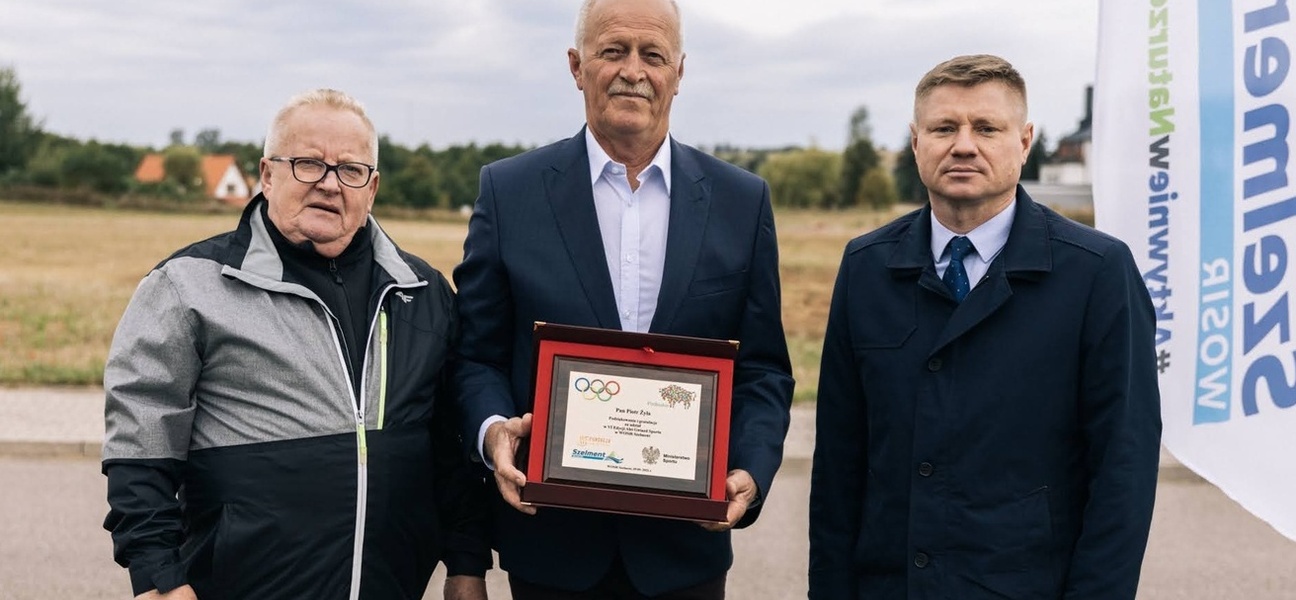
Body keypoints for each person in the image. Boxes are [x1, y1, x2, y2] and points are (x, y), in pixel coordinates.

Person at [451, 0, 795, 597]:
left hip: (685, 553)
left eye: (653, 55)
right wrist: (491, 432)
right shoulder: (509, 192)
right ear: (576, 65)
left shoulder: (742, 203)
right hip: (551, 547)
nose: (633, 70)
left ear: (679, 73)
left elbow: (763, 368)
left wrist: (750, 469)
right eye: (612, 50)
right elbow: (475, 355)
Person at [102, 89, 490, 600]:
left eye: (350, 170)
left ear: (371, 188)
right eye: (308, 164)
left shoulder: (423, 292)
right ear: (266, 174)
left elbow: (449, 444)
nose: (330, 184)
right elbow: (141, 442)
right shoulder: (190, 285)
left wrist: (466, 564)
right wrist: (159, 578)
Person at [808, 54, 1162, 599]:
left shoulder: (1097, 273)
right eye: (944, 127)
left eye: (986, 128)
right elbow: (838, 460)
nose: (964, 144)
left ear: (1024, 142)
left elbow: (1124, 469)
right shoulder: (866, 267)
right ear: (916, 140)